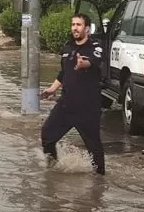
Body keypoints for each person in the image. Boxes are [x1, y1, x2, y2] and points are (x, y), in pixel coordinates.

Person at [40, 13, 106, 175]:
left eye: (79, 25)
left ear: (87, 29)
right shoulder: (68, 47)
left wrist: (84, 64)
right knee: (47, 135)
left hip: (87, 107)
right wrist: (52, 89)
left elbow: (93, 61)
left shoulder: (95, 46)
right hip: (66, 104)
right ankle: (53, 168)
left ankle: (100, 180)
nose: (75, 28)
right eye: (73, 24)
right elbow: (64, 73)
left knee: (94, 147)